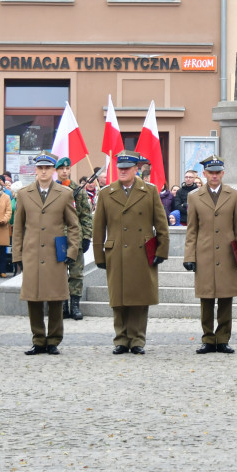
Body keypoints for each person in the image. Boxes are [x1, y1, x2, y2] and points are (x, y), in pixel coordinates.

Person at [92, 151, 169, 354]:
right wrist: (98, 255)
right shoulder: (106, 193)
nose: (123, 171)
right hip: (116, 251)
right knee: (118, 298)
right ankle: (121, 339)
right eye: (120, 168)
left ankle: (137, 340)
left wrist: (162, 250)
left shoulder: (150, 191)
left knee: (140, 298)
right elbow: (98, 227)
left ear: (137, 169)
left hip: (142, 252)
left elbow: (161, 224)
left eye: (127, 168)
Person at [12, 151, 81, 356]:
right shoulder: (24, 194)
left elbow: (74, 225)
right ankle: (38, 339)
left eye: (47, 168)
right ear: (36, 170)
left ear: (53, 170)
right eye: (40, 168)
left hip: (55, 253)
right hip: (32, 253)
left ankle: (53, 340)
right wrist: (17, 256)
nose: (43, 171)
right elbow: (18, 228)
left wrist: (72, 250)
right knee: (33, 299)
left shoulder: (65, 193)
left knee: (55, 298)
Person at [183, 155, 237, 354]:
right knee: (206, 299)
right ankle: (208, 339)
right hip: (204, 254)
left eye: (217, 172)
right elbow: (192, 229)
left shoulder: (234, 195)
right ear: (204, 174)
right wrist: (189, 256)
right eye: (210, 172)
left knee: (226, 298)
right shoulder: (194, 196)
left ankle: (223, 338)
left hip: (228, 254)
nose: (214, 176)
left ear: (223, 173)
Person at [55, 157, 93, 321]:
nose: (64, 171)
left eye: (67, 168)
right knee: (59, 274)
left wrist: (86, 237)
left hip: (75, 237)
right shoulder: (51, 189)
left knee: (76, 273)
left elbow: (85, 215)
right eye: (61, 169)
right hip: (57, 237)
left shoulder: (78, 190)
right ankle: (62, 305)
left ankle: (75, 305)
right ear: (56, 171)